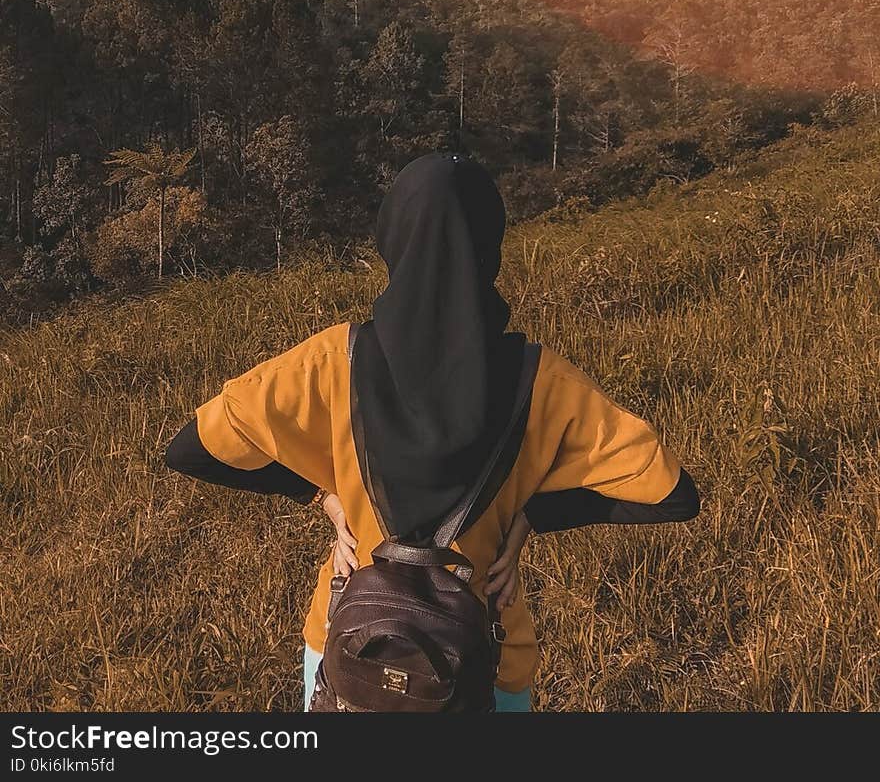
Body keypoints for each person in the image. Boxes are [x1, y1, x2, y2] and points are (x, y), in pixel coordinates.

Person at [165, 151, 699, 711]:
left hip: (352, 648)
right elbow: (672, 497)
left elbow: (192, 451)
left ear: (393, 238)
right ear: (489, 249)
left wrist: (322, 496)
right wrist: (530, 519)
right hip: (485, 658)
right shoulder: (542, 382)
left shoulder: (331, 362)